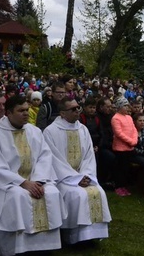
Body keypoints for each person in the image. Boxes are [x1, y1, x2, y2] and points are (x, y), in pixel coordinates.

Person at [0, 96, 65, 256]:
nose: (26, 113)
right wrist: (23, 182)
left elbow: (45, 156)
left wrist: (37, 181)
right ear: (9, 113)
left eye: (27, 110)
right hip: (7, 185)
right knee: (18, 197)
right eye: (21, 110)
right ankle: (18, 250)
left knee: (52, 193)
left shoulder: (34, 131)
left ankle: (45, 246)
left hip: (36, 179)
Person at [43, 98, 111, 244]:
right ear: (62, 113)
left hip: (83, 175)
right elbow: (54, 160)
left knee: (99, 192)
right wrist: (75, 178)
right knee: (78, 195)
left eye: (78, 108)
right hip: (63, 178)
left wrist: (86, 175)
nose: (77, 111)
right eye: (73, 109)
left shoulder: (83, 129)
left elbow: (88, 156)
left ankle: (92, 235)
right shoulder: (50, 131)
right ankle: (75, 236)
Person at [111, 96, 138, 196]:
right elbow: (119, 133)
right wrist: (130, 141)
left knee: (126, 168)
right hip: (120, 148)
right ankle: (118, 186)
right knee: (120, 169)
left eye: (128, 106)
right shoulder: (115, 118)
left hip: (129, 147)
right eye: (125, 106)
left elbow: (134, 129)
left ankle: (125, 186)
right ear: (119, 107)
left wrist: (134, 140)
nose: (127, 108)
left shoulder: (129, 117)